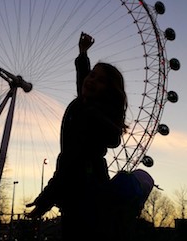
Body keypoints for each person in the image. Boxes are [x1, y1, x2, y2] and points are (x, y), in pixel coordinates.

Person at [26, 32, 128, 240]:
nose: (91, 80)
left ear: (107, 93)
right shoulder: (89, 105)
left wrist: (47, 198)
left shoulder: (88, 114)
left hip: (82, 195)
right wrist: (83, 54)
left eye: (100, 81)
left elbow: (70, 162)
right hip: (93, 190)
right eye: (92, 75)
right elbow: (84, 79)